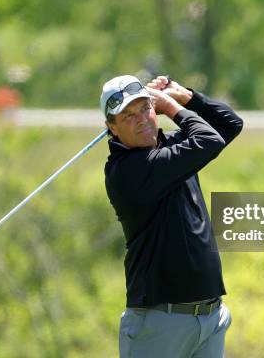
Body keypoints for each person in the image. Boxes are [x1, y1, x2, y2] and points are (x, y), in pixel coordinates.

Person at [100, 74, 243, 358]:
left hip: (210, 317)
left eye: (144, 108)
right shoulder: (127, 172)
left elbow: (231, 124)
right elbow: (209, 140)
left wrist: (187, 97)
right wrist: (170, 107)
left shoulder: (171, 152)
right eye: (127, 115)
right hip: (159, 326)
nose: (140, 118)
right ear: (111, 128)